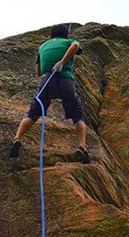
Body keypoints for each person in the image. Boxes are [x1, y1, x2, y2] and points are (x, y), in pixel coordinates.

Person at [8, 24, 90, 163]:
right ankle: (82, 146)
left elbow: (38, 72)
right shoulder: (69, 41)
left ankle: (17, 138)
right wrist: (62, 62)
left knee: (33, 113)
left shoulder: (42, 46)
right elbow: (76, 46)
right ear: (66, 35)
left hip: (46, 80)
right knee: (77, 115)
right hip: (65, 79)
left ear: (52, 35)